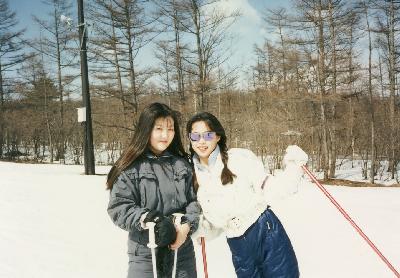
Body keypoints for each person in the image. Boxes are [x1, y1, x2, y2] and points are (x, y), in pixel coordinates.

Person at [187, 111, 307, 278]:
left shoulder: (238, 159)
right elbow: (213, 223)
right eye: (195, 136)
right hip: (237, 244)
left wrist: (294, 168)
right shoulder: (192, 176)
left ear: (218, 137)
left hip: (265, 232)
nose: (201, 141)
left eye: (208, 135)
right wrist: (196, 229)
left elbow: (271, 188)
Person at [107, 102, 200, 278]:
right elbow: (119, 206)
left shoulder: (182, 164)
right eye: (159, 129)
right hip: (145, 252)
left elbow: (195, 201)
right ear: (146, 129)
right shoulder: (130, 167)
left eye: (171, 129)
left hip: (181, 251)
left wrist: (187, 225)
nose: (165, 135)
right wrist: (148, 219)